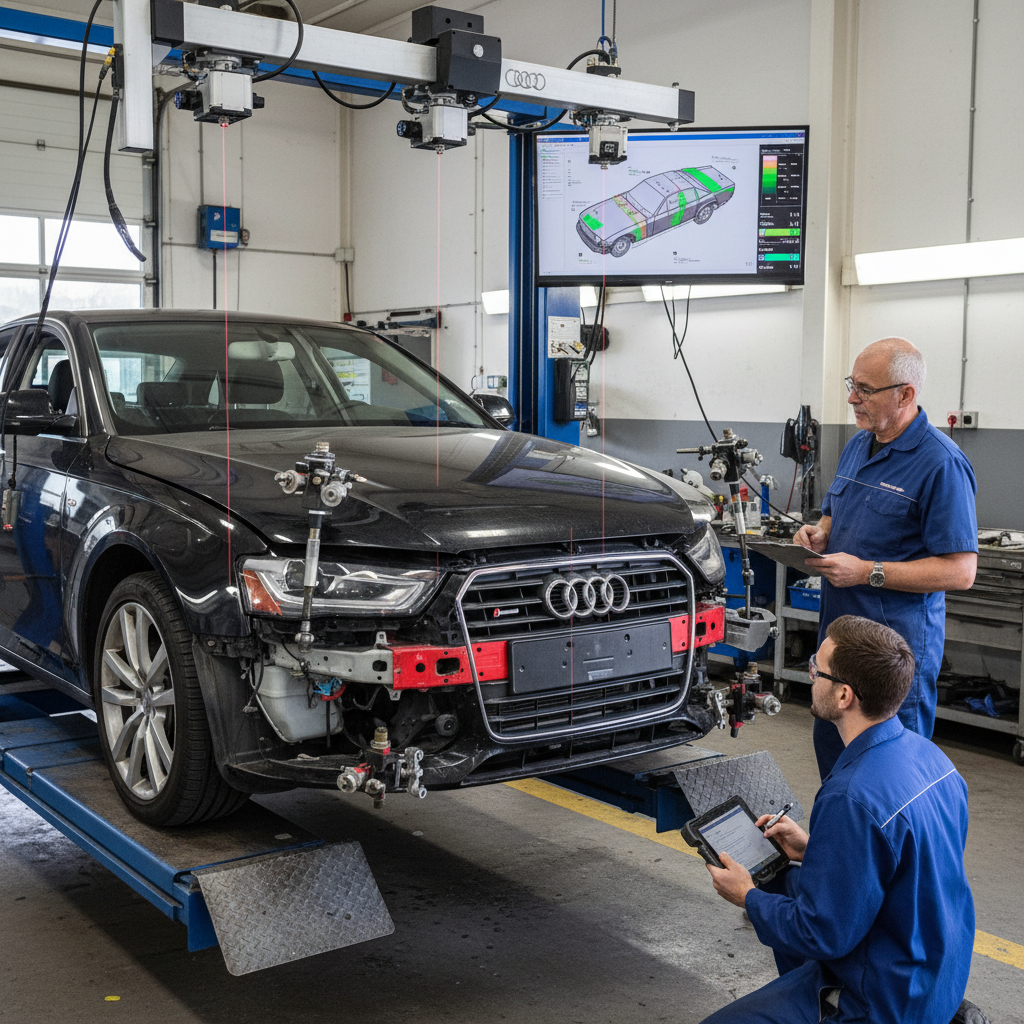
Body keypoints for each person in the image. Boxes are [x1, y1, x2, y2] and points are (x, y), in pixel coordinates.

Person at [699, 615, 976, 1024]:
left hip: (884, 1002)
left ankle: (829, 1010)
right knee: (787, 879)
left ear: (844, 695)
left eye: (817, 668)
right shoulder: (934, 760)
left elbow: (822, 933)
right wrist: (814, 849)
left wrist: (747, 896)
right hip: (938, 978)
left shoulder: (851, 795)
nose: (810, 674)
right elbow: (908, 865)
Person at [793, 337, 978, 780]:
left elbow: (961, 570)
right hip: (839, 644)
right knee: (837, 769)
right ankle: (840, 850)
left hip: (892, 654)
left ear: (906, 394)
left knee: (888, 778)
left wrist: (866, 572)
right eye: (851, 384)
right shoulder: (860, 444)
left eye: (865, 389)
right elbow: (837, 513)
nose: (852, 397)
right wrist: (820, 532)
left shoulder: (941, 464)